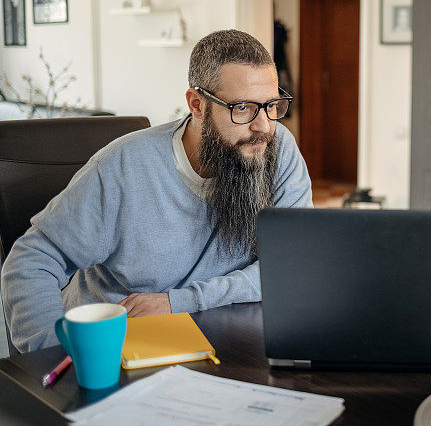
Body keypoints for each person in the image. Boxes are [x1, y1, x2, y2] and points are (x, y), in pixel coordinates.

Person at [1, 30, 312, 352]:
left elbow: (292, 262)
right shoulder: (123, 167)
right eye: (244, 108)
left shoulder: (276, 147)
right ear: (197, 105)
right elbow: (31, 260)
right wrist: (49, 354)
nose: (263, 125)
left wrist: (177, 302)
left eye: (273, 105)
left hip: (220, 332)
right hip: (115, 342)